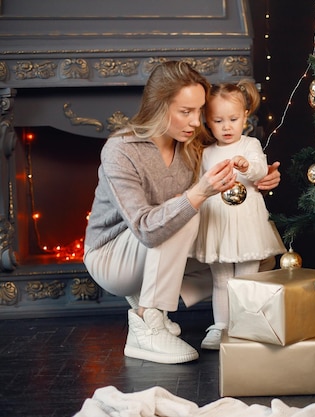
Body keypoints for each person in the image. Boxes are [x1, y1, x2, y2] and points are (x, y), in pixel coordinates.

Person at [82, 61, 281, 364]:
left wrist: (262, 177)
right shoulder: (121, 150)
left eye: (200, 112)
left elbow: (234, 163)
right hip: (113, 257)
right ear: (158, 107)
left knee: (257, 253)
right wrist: (197, 193)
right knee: (188, 208)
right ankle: (147, 323)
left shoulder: (193, 142)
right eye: (185, 112)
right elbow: (146, 228)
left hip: (158, 249)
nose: (195, 122)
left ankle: (160, 303)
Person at [190, 80, 287, 350]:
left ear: (245, 116)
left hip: (246, 223)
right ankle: (220, 326)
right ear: (207, 122)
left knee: (247, 278)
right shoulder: (206, 152)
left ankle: (246, 324)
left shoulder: (250, 144)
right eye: (218, 120)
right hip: (218, 223)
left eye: (233, 119)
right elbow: (198, 184)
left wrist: (248, 167)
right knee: (221, 280)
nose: (226, 126)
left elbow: (259, 171)